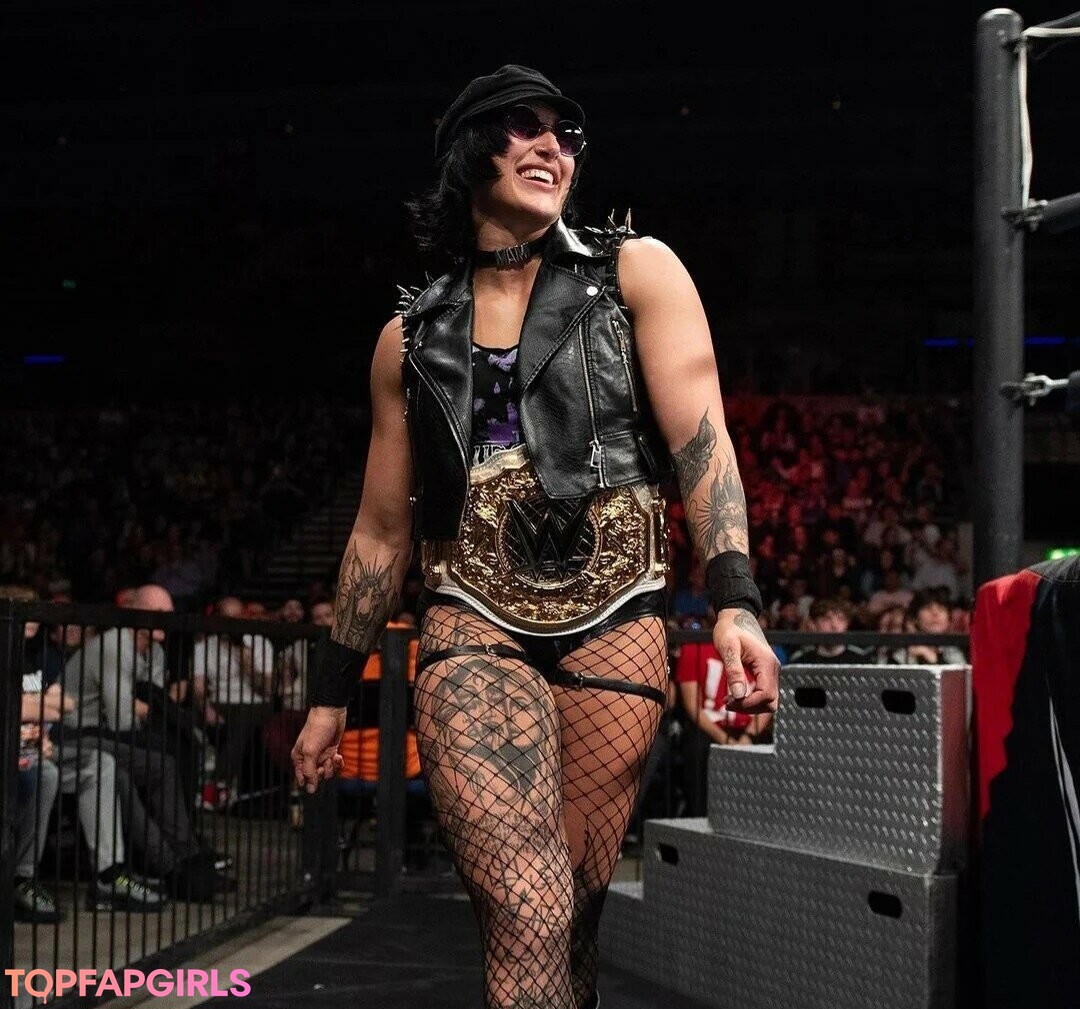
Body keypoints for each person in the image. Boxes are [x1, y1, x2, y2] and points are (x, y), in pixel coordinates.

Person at [291, 63, 779, 1009]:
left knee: (574, 919)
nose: (555, 146)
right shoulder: (409, 336)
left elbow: (703, 446)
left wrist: (736, 603)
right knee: (528, 906)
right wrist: (329, 693)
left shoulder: (637, 271)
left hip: (618, 617)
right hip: (471, 618)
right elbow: (382, 534)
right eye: (527, 126)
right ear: (473, 150)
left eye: (568, 134)